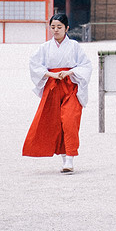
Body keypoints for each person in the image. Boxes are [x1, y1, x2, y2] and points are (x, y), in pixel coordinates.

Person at [22, 13, 93, 173]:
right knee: (55, 123)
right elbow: (34, 64)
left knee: (69, 120)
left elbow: (86, 66)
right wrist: (51, 74)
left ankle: (70, 158)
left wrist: (70, 72)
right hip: (53, 86)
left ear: (67, 28)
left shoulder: (74, 46)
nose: (55, 30)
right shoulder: (45, 47)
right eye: (53, 27)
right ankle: (64, 158)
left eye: (59, 27)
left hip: (71, 86)